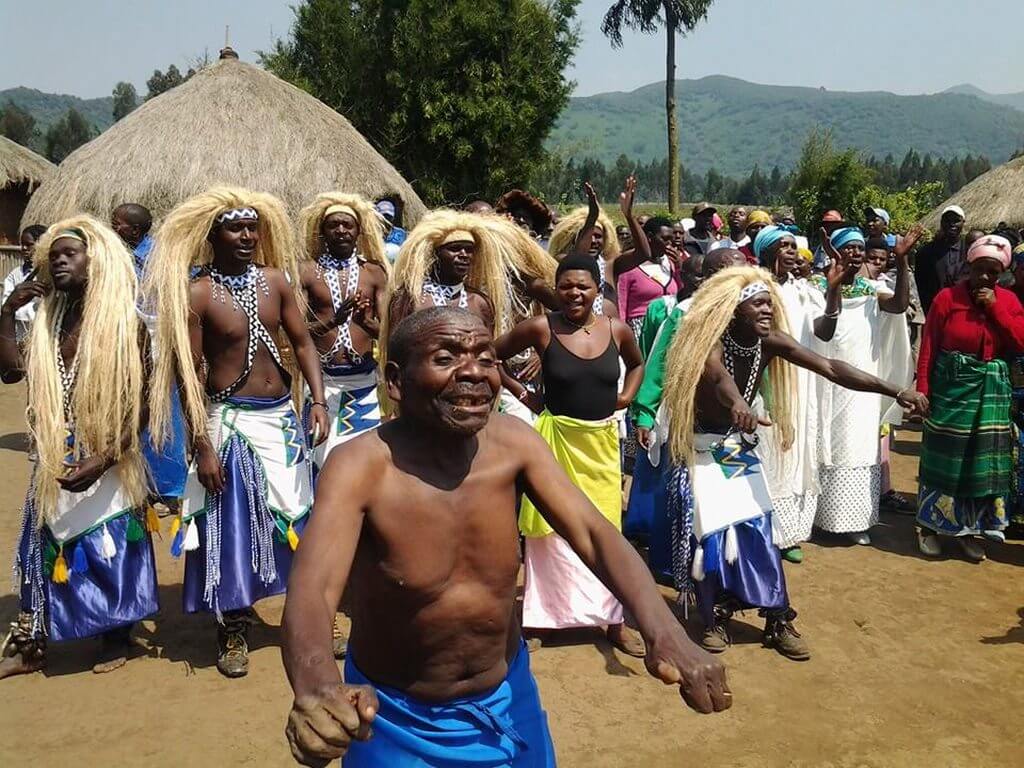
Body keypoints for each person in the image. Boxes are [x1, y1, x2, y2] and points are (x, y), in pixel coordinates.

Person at [281, 306, 731, 767]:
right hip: (392, 719)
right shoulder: (360, 465)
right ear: (395, 381)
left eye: (485, 357)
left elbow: (596, 534)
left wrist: (664, 630)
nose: (474, 372)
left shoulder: (514, 443)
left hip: (507, 704)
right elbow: (314, 589)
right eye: (446, 358)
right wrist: (316, 684)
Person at [659, 266, 928, 658]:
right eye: (758, 303)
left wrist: (896, 389)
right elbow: (718, 379)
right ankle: (713, 615)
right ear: (736, 311)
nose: (768, 309)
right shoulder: (710, 342)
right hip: (699, 450)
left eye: (770, 302)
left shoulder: (770, 341)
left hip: (734, 447)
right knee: (711, 534)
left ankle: (777, 617)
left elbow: (832, 368)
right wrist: (737, 404)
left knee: (759, 528)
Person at [145, 186, 329, 678]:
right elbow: (188, 373)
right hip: (229, 422)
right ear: (213, 234)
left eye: (253, 227)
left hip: (281, 418)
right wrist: (201, 445)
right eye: (235, 227)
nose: (247, 236)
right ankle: (232, 627)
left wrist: (316, 399)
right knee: (230, 524)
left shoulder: (276, 282)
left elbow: (304, 343)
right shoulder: (199, 293)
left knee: (299, 516)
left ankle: (309, 616)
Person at [0, 217, 157, 679]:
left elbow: (143, 406)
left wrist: (106, 457)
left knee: (110, 543)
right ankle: (31, 642)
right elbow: (10, 371)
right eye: (55, 256)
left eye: (71, 254)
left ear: (98, 261)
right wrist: (7, 314)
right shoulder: (48, 319)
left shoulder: (126, 322)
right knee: (42, 540)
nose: (60, 261)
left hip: (109, 452)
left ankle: (114, 633)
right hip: (55, 451)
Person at [495, 254, 645, 656]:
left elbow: (637, 365)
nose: (574, 293)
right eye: (566, 286)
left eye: (583, 286)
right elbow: (491, 355)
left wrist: (628, 395)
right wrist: (519, 391)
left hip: (600, 445)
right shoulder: (540, 328)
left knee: (607, 530)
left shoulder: (616, 330)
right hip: (555, 441)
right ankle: (546, 616)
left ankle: (612, 620)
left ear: (598, 290)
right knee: (550, 533)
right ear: (556, 289)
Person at [625, 248, 746, 570]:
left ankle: (726, 568)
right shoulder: (685, 314)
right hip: (685, 423)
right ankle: (673, 566)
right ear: (708, 278)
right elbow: (658, 365)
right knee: (680, 495)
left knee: (733, 494)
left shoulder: (752, 312)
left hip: (734, 426)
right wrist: (645, 414)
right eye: (727, 272)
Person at [915, 235, 1024, 561]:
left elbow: (1019, 342)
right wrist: (923, 388)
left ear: (1002, 273)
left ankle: (968, 532)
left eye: (993, 271)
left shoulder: (1009, 302)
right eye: (980, 269)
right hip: (952, 387)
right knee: (944, 459)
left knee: (978, 463)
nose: (986, 277)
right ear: (969, 266)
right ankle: (930, 527)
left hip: (990, 391)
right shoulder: (947, 298)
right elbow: (930, 344)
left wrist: (993, 308)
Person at [809, 227, 914, 546]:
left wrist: (903, 260)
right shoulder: (815, 285)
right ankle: (817, 516)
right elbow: (822, 331)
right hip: (829, 374)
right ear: (835, 251)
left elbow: (898, 305)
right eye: (849, 248)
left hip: (865, 377)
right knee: (827, 440)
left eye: (859, 248)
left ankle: (853, 520)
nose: (855, 253)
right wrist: (834, 287)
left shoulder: (871, 289)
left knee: (857, 443)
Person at [298, 193, 389, 469]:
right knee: (318, 464)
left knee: (366, 465)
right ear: (323, 232)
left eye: (347, 225)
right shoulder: (307, 271)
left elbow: (388, 334)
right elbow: (296, 333)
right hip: (321, 385)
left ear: (358, 231)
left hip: (363, 383)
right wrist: (332, 321)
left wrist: (366, 322)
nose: (341, 231)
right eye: (333, 225)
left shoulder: (374, 273)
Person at [1, 224, 46, 347]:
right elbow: (6, 302)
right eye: (22, 244)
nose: (24, 248)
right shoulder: (15, 274)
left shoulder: (49, 274)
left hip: (43, 334)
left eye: (29, 244)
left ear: (41, 245)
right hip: (19, 335)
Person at [915, 205, 965, 314]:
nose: (952, 224)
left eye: (956, 220)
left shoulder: (969, 251)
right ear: (941, 222)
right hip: (935, 310)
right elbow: (921, 284)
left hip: (962, 310)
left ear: (963, 222)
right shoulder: (926, 252)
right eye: (947, 220)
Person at [111, 203, 155, 276]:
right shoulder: (124, 250)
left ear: (135, 230)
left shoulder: (153, 257)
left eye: (116, 224)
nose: (112, 227)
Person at [375, 199, 406, 264]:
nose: (386, 220)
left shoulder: (400, 234)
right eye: (384, 216)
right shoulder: (373, 235)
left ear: (393, 218)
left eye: (388, 216)